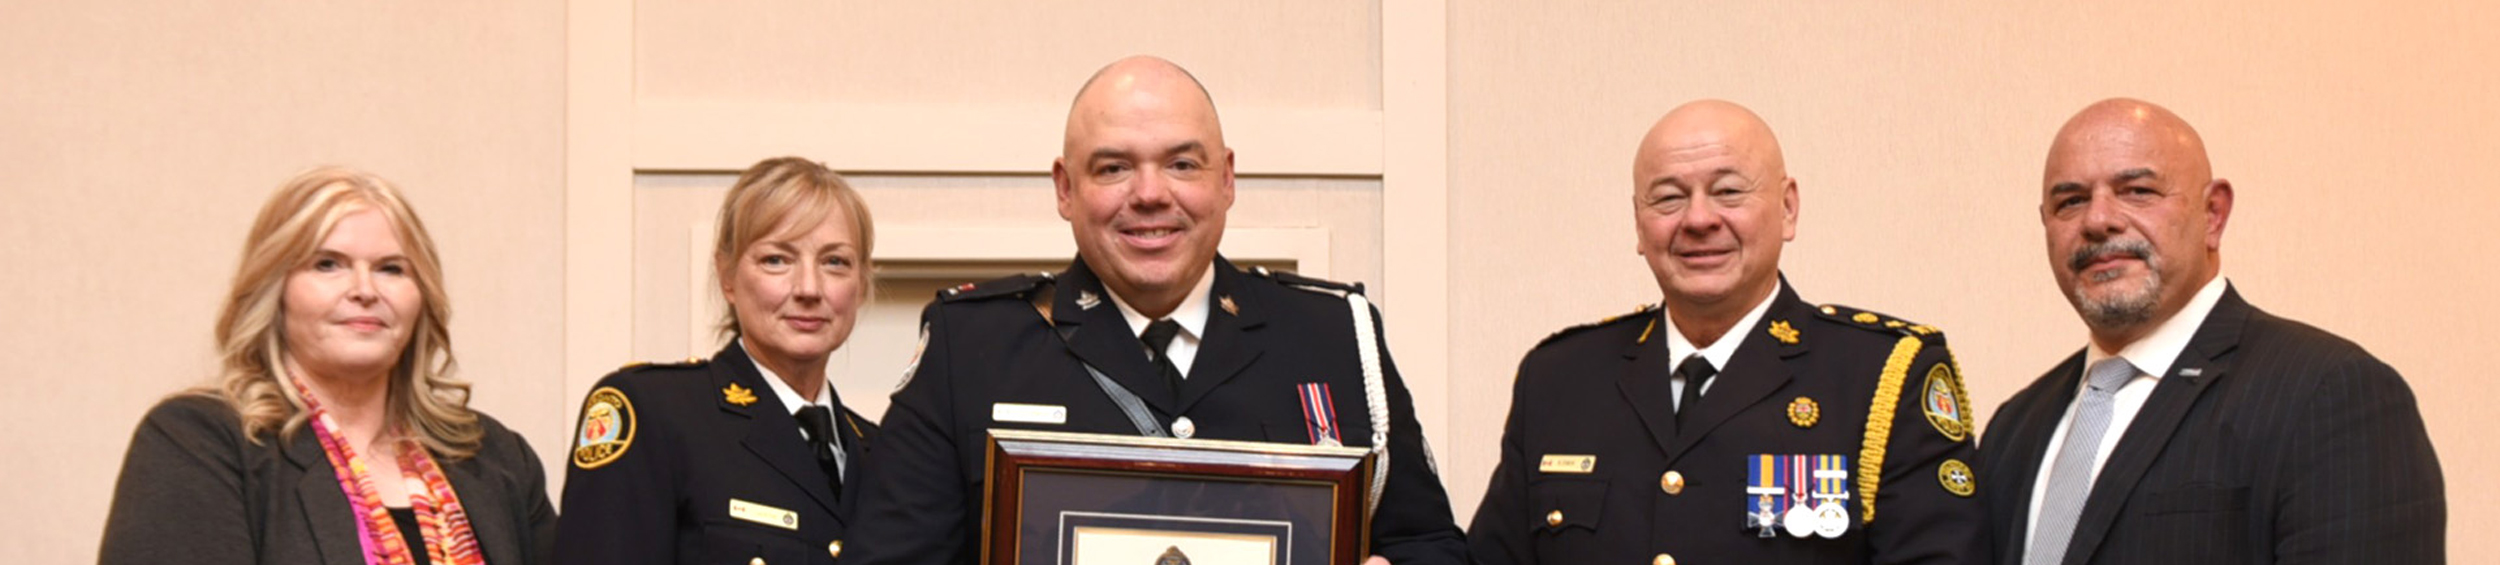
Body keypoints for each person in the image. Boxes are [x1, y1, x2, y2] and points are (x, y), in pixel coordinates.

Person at [840, 55, 1467, 565]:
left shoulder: (1332, 335)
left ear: (1226, 180)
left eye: (1181, 164)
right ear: (1065, 188)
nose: (1149, 194)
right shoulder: (972, 347)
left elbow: (1430, 546)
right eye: (1114, 167)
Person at [1468, 100, 1986, 564]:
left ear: (1787, 208)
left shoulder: (1879, 375)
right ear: (1638, 223)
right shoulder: (1561, 379)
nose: (1698, 219)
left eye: (1729, 192)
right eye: (1668, 198)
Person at [1977, 98, 2444, 565]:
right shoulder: (2013, 429)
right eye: (2071, 201)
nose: (2098, 220)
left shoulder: (2329, 393)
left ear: (2213, 215)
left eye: (2137, 190)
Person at [100, 167, 556, 564]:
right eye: (327, 265)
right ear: (274, 291)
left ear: (424, 298)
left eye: (391, 269)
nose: (364, 289)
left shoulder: (495, 456)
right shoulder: (201, 442)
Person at [555, 157, 880, 564]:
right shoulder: (654, 414)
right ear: (726, 275)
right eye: (776, 259)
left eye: (835, 262)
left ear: (861, 282)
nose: (809, 288)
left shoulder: (884, 455)